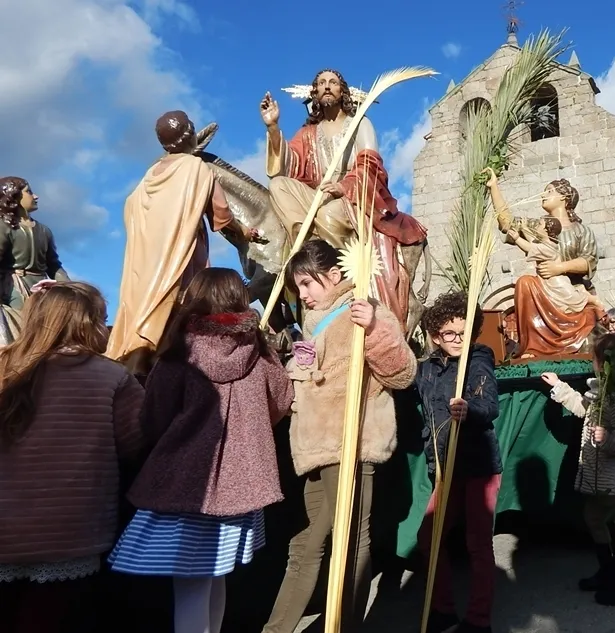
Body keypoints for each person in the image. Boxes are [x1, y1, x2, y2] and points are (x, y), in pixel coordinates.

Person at [108, 268, 293, 633]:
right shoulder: (261, 351)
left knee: (190, 583)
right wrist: (251, 429)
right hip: (244, 482)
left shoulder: (178, 353)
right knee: (215, 575)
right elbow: (282, 401)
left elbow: (154, 418)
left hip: (186, 484)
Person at [263, 240, 417, 633]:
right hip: (315, 447)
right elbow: (306, 380)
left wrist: (376, 329)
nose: (304, 295)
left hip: (351, 442)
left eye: (307, 284)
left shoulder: (364, 312)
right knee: (306, 541)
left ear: (334, 276)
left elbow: (401, 374)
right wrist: (296, 369)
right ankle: (277, 629)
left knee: (351, 539)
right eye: (298, 287)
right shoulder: (314, 325)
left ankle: (344, 624)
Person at [0, 282, 145, 633]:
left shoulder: (4, 366)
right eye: (101, 319)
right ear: (85, 324)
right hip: (71, 536)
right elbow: (138, 444)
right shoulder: (112, 377)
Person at [260, 69, 427, 328]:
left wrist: (344, 186)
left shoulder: (359, 123)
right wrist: (272, 128)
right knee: (279, 185)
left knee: (327, 213)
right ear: (314, 92)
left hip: (353, 198)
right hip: (315, 198)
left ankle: (337, 265)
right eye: (322, 83)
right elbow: (286, 166)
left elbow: (371, 165)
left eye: (333, 83)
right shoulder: (308, 133)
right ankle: (305, 245)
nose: (327, 87)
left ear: (343, 91)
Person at [107, 110, 260, 374]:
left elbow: (130, 209)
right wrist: (244, 231)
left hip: (143, 262)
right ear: (190, 134)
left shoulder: (149, 175)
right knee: (184, 307)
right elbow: (221, 214)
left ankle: (138, 360)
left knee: (144, 307)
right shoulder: (196, 168)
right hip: (182, 253)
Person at [415, 291, 502, 633]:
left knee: (477, 543)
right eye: (450, 333)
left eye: (464, 332)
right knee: (429, 539)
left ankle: (479, 620)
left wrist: (470, 410)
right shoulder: (426, 369)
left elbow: (489, 404)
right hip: (445, 468)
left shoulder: (479, 357)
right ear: (436, 335)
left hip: (478, 464)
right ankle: (443, 609)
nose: (458, 340)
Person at [542, 332, 615, 607]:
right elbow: (582, 407)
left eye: (596, 359)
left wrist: (609, 438)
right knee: (594, 516)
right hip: (596, 472)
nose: (594, 364)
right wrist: (560, 388)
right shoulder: (601, 392)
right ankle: (609, 571)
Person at [484, 168, 600, 357]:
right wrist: (494, 187)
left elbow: (588, 261)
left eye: (549, 191)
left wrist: (559, 268)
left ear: (564, 197)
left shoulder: (581, 230)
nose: (543, 195)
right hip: (545, 289)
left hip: (571, 291)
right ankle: (533, 347)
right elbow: (507, 222)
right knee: (525, 282)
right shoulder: (538, 227)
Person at [0, 177, 69, 311]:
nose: (36, 196)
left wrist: (69, 287)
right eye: (29, 192)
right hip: (15, 286)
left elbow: (54, 265)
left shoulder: (44, 230)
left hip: (43, 288)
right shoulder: (4, 226)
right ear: (14, 196)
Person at [507, 217, 603, 313]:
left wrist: (517, 238)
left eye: (539, 224)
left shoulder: (548, 248)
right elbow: (533, 242)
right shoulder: (546, 243)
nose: (536, 226)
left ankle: (592, 299)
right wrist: (524, 229)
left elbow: (529, 247)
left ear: (545, 230)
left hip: (556, 282)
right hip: (547, 281)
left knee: (572, 299)